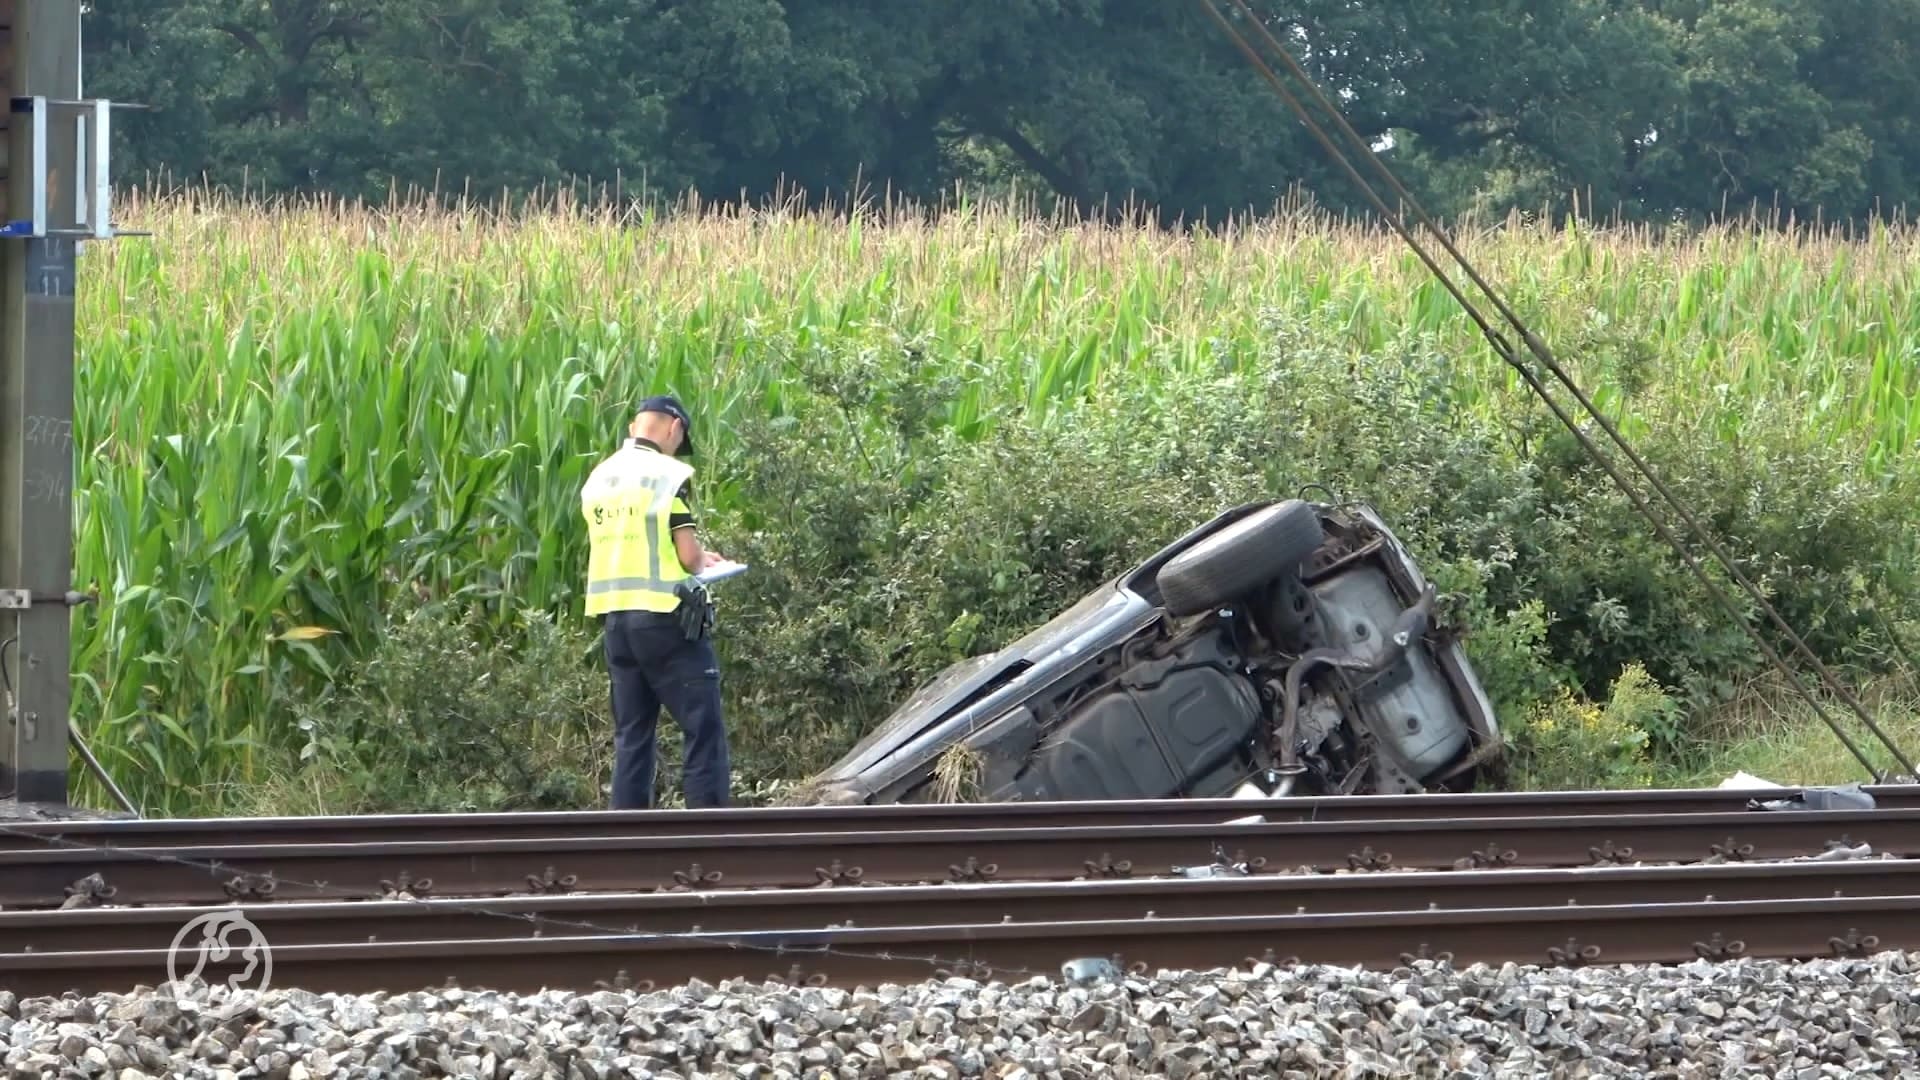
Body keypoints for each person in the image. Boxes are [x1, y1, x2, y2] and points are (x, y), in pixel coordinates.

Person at [580, 394, 732, 810]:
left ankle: (626, 835)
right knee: (702, 726)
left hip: (616, 620)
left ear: (634, 427)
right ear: (674, 428)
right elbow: (688, 558)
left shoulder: (599, 477)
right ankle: (709, 830)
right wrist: (702, 560)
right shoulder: (668, 474)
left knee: (632, 735)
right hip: (664, 618)